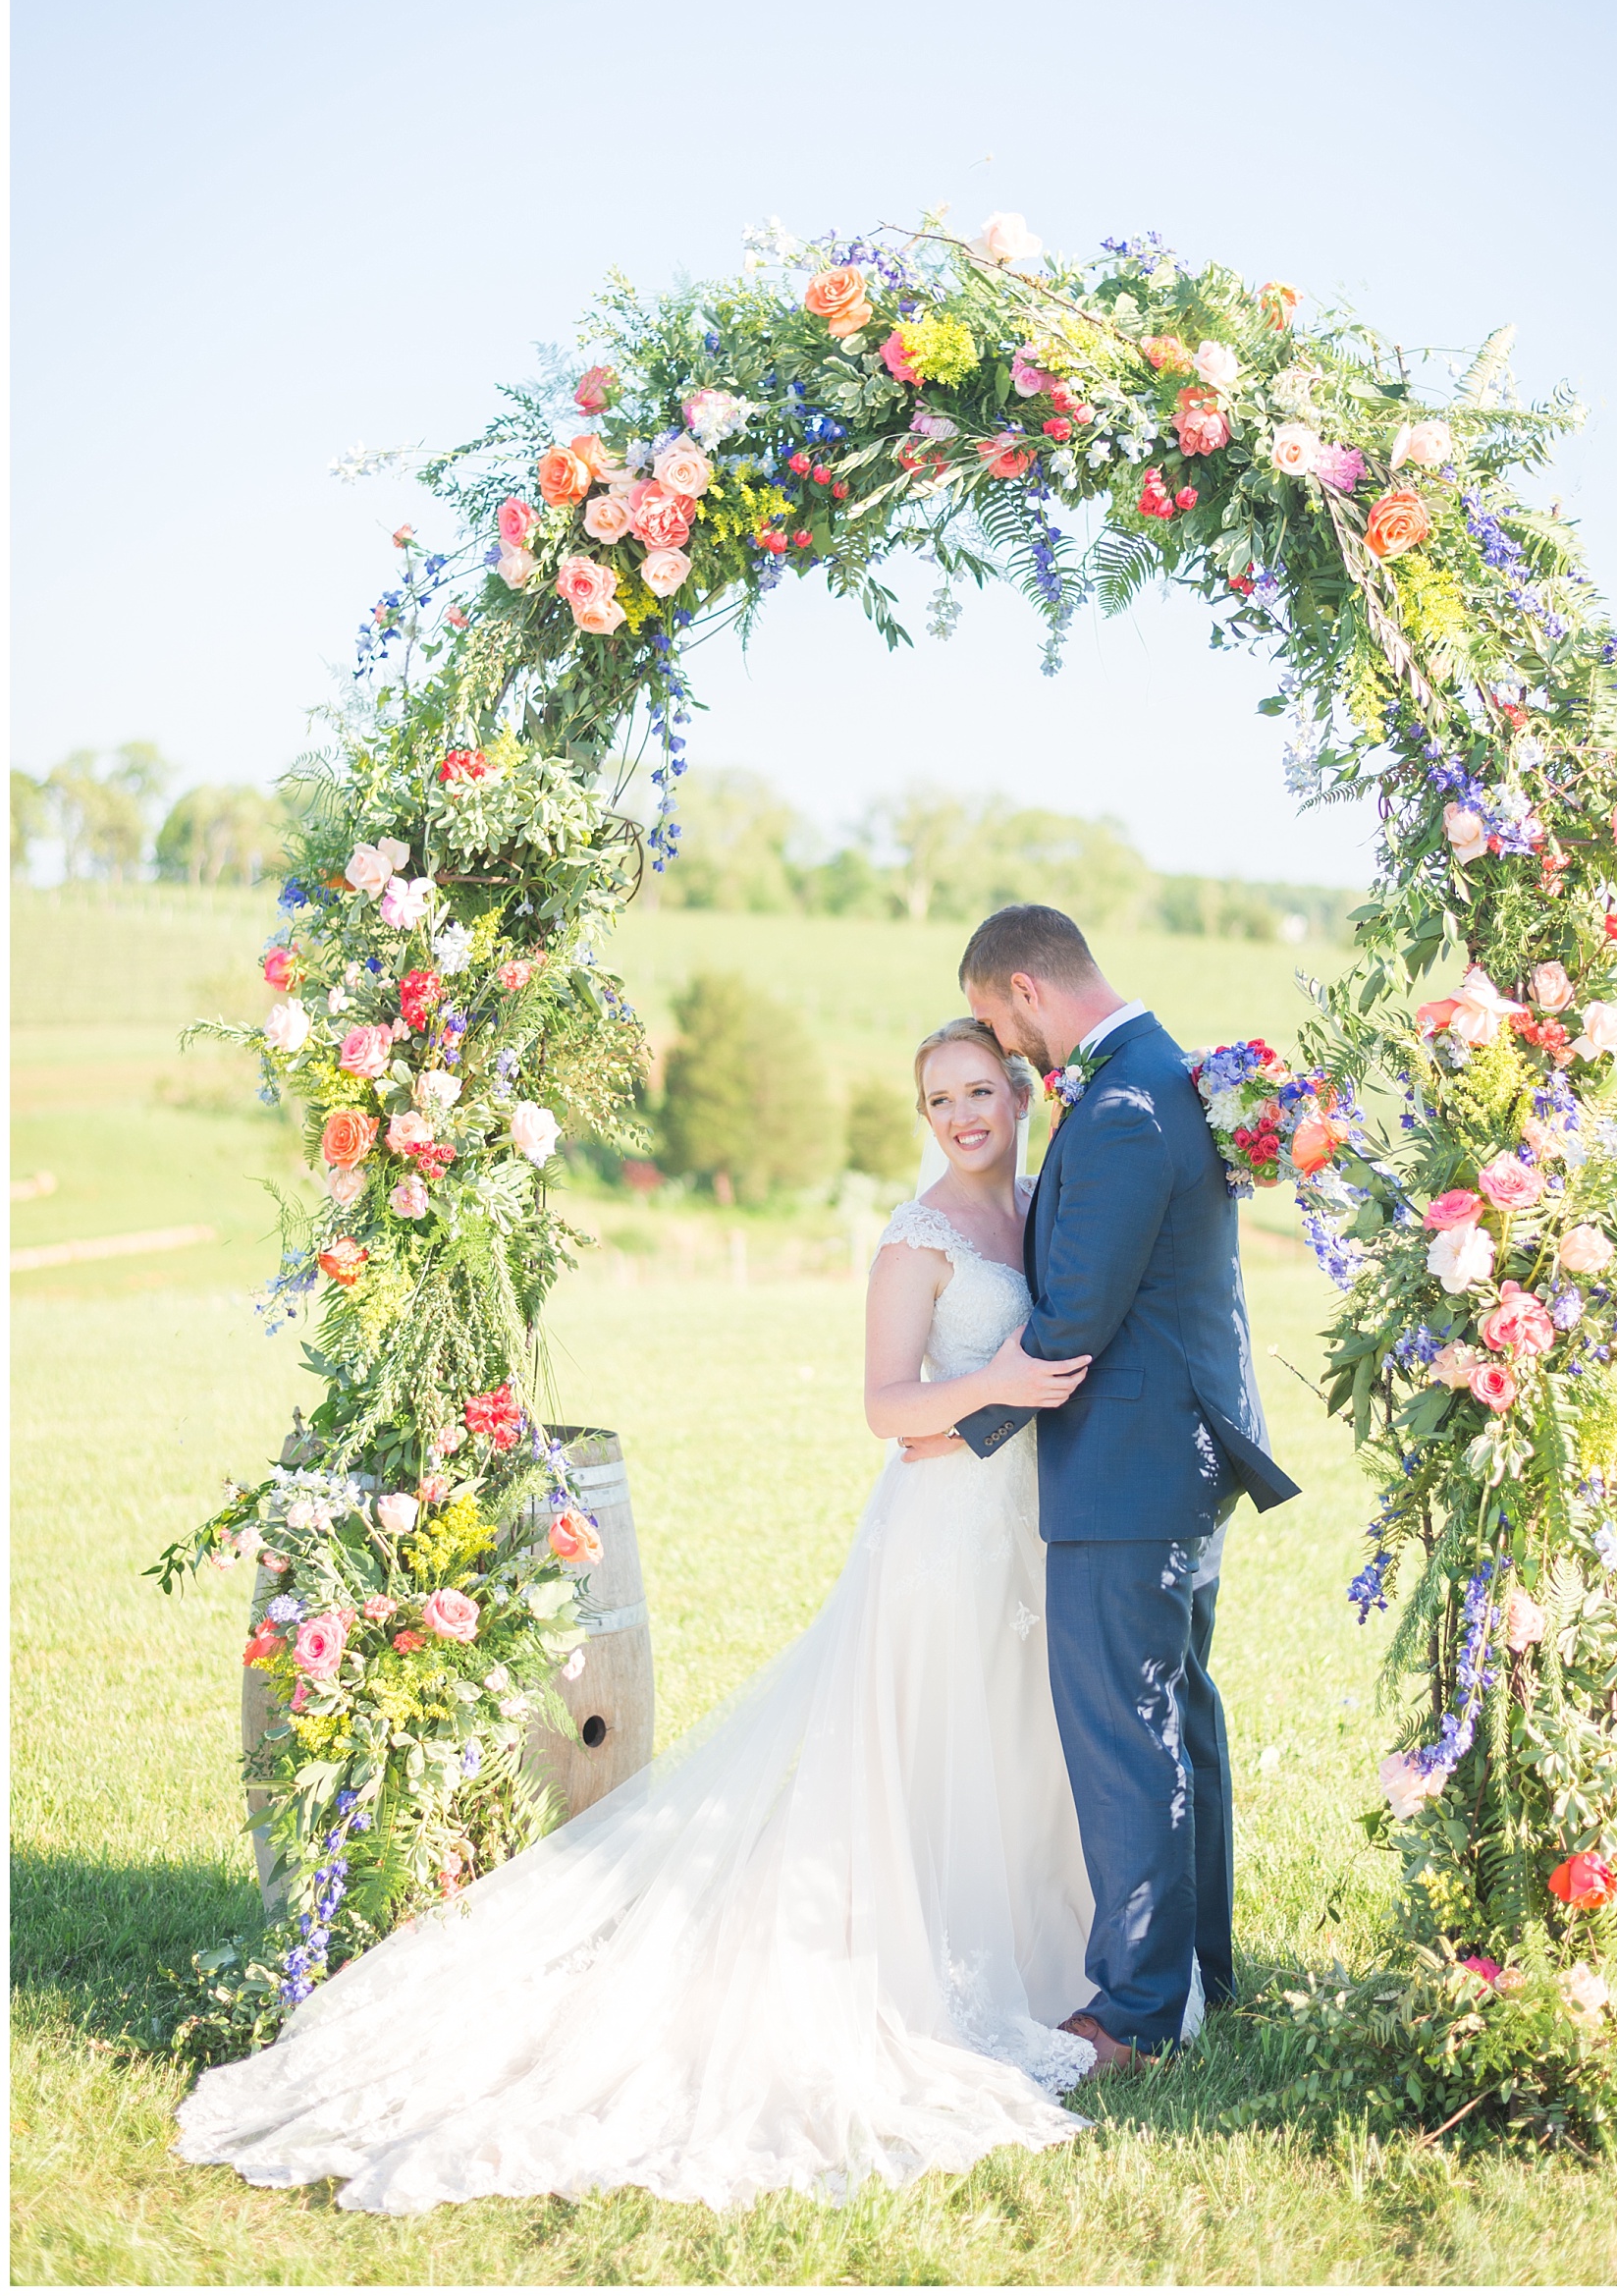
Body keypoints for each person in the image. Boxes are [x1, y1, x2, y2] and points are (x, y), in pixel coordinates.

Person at [175, 1019, 1128, 2214]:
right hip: (938, 1541)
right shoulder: (917, 1236)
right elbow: (886, 1406)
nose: (960, 1114)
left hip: (1024, 1531)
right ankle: (930, 1971)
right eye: (937, 1096)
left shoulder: (1041, 1206)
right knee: (929, 1751)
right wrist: (989, 1384)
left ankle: (1053, 1958)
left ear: (1022, 1088)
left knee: (1015, 1742)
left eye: (979, 1088)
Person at [939, 902, 1301, 2074]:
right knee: (1177, 1722)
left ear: (1026, 992)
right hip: (1166, 1465)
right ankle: (1200, 1979)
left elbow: (1077, 1315)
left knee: (1130, 1736)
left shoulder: (1132, 1102)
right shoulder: (1152, 1072)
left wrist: (960, 1423)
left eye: (1000, 1023)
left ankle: (1139, 2015)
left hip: (1130, 1467)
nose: (1011, 1053)